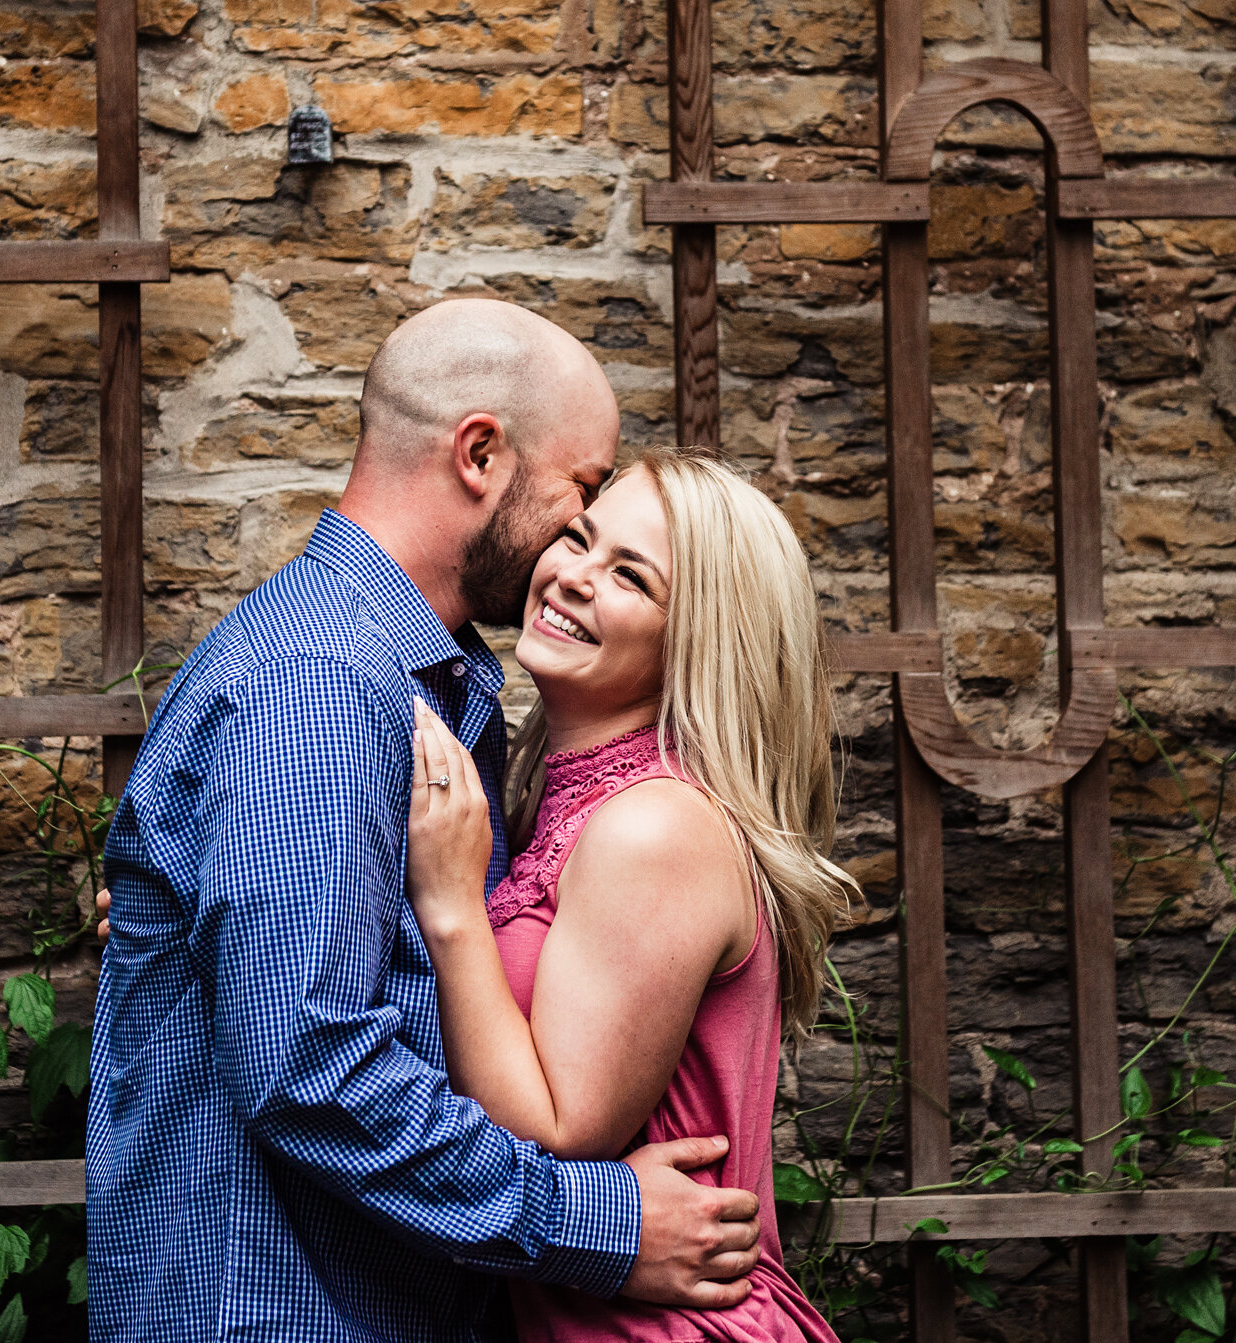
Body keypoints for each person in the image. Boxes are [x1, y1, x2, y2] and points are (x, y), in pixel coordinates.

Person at [89, 299, 765, 1341]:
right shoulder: (319, 686)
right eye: (578, 496)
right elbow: (307, 1069)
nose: (568, 554)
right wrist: (601, 1223)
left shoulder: (417, 685)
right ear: (481, 454)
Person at [402, 447, 852, 1342]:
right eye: (578, 538)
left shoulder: (656, 829)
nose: (571, 576)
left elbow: (558, 1132)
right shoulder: (551, 798)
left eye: (629, 577)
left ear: (694, 641)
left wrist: (452, 906)